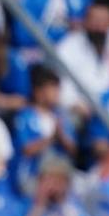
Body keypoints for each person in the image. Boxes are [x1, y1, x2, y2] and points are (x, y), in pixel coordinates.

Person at [54, 0, 109, 115]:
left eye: (104, 22)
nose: (99, 27)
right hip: (83, 108)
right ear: (85, 22)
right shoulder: (67, 47)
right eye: (95, 21)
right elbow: (62, 85)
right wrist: (74, 103)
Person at [14, 65, 78, 193]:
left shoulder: (61, 116)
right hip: (33, 174)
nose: (57, 93)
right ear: (38, 92)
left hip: (60, 172)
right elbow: (27, 149)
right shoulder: (25, 116)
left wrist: (61, 136)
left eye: (57, 88)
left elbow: (73, 149)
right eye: (52, 88)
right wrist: (50, 139)